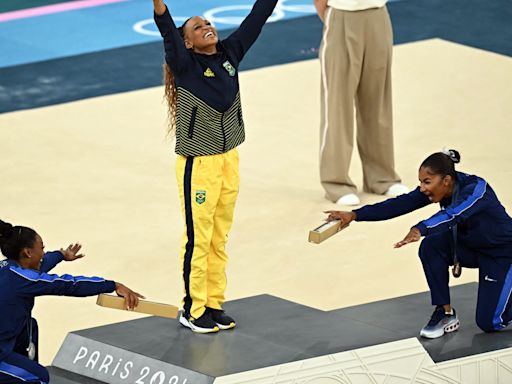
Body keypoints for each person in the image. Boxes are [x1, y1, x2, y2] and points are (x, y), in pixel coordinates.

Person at [152, 0, 279, 334]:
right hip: (199, 164)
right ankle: (193, 309)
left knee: (219, 236)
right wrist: (160, 8)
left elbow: (257, 18)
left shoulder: (230, 53)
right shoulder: (184, 64)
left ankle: (213, 302)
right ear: (188, 42)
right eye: (197, 26)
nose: (207, 26)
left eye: (208, 22)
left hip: (229, 159)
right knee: (199, 237)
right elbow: (167, 32)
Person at [325, 150, 512, 338]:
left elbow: (452, 215)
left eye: (427, 182)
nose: (422, 188)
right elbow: (400, 204)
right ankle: (445, 314)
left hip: (502, 254)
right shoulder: (437, 188)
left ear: (446, 180)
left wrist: (420, 228)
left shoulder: (476, 189)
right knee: (431, 247)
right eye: (421, 182)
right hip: (470, 247)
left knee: (489, 323)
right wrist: (355, 215)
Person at [0, 219, 143, 384]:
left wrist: (61, 255)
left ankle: (17, 374)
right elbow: (69, 285)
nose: (44, 253)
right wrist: (113, 285)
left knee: (29, 327)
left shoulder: (10, 268)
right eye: (42, 248)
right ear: (28, 252)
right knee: (39, 377)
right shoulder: (23, 280)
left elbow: (43, 264)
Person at [314, 0, 408, 206]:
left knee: (378, 100)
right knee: (338, 106)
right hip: (341, 14)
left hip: (377, 13)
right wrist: (334, 18)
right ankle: (336, 183)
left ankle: (382, 178)